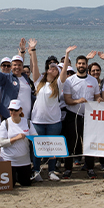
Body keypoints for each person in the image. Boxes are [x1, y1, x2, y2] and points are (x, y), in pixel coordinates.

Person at [31, 44, 65, 181]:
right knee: (37, 148)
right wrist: (33, 50)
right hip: (38, 120)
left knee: (52, 148)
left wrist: (67, 54)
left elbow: (63, 74)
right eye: (50, 67)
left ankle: (51, 171)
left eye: (55, 68)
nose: (53, 68)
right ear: (47, 70)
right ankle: (36, 171)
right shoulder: (38, 82)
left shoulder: (58, 84)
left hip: (54, 121)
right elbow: (35, 64)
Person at [0, 39, 35, 120]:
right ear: (11, 67)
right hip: (10, 117)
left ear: (22, 66)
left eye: (19, 65)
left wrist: (22, 51)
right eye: (14, 65)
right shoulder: (7, 78)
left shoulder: (25, 77)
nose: (17, 67)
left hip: (27, 118)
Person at [0, 99, 36, 187]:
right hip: (8, 160)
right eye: (11, 110)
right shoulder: (5, 123)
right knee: (10, 185)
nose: (13, 112)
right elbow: (1, 143)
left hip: (24, 160)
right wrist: (16, 138)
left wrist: (48, 153)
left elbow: (36, 139)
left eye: (16, 110)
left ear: (20, 110)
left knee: (26, 184)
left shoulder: (27, 122)